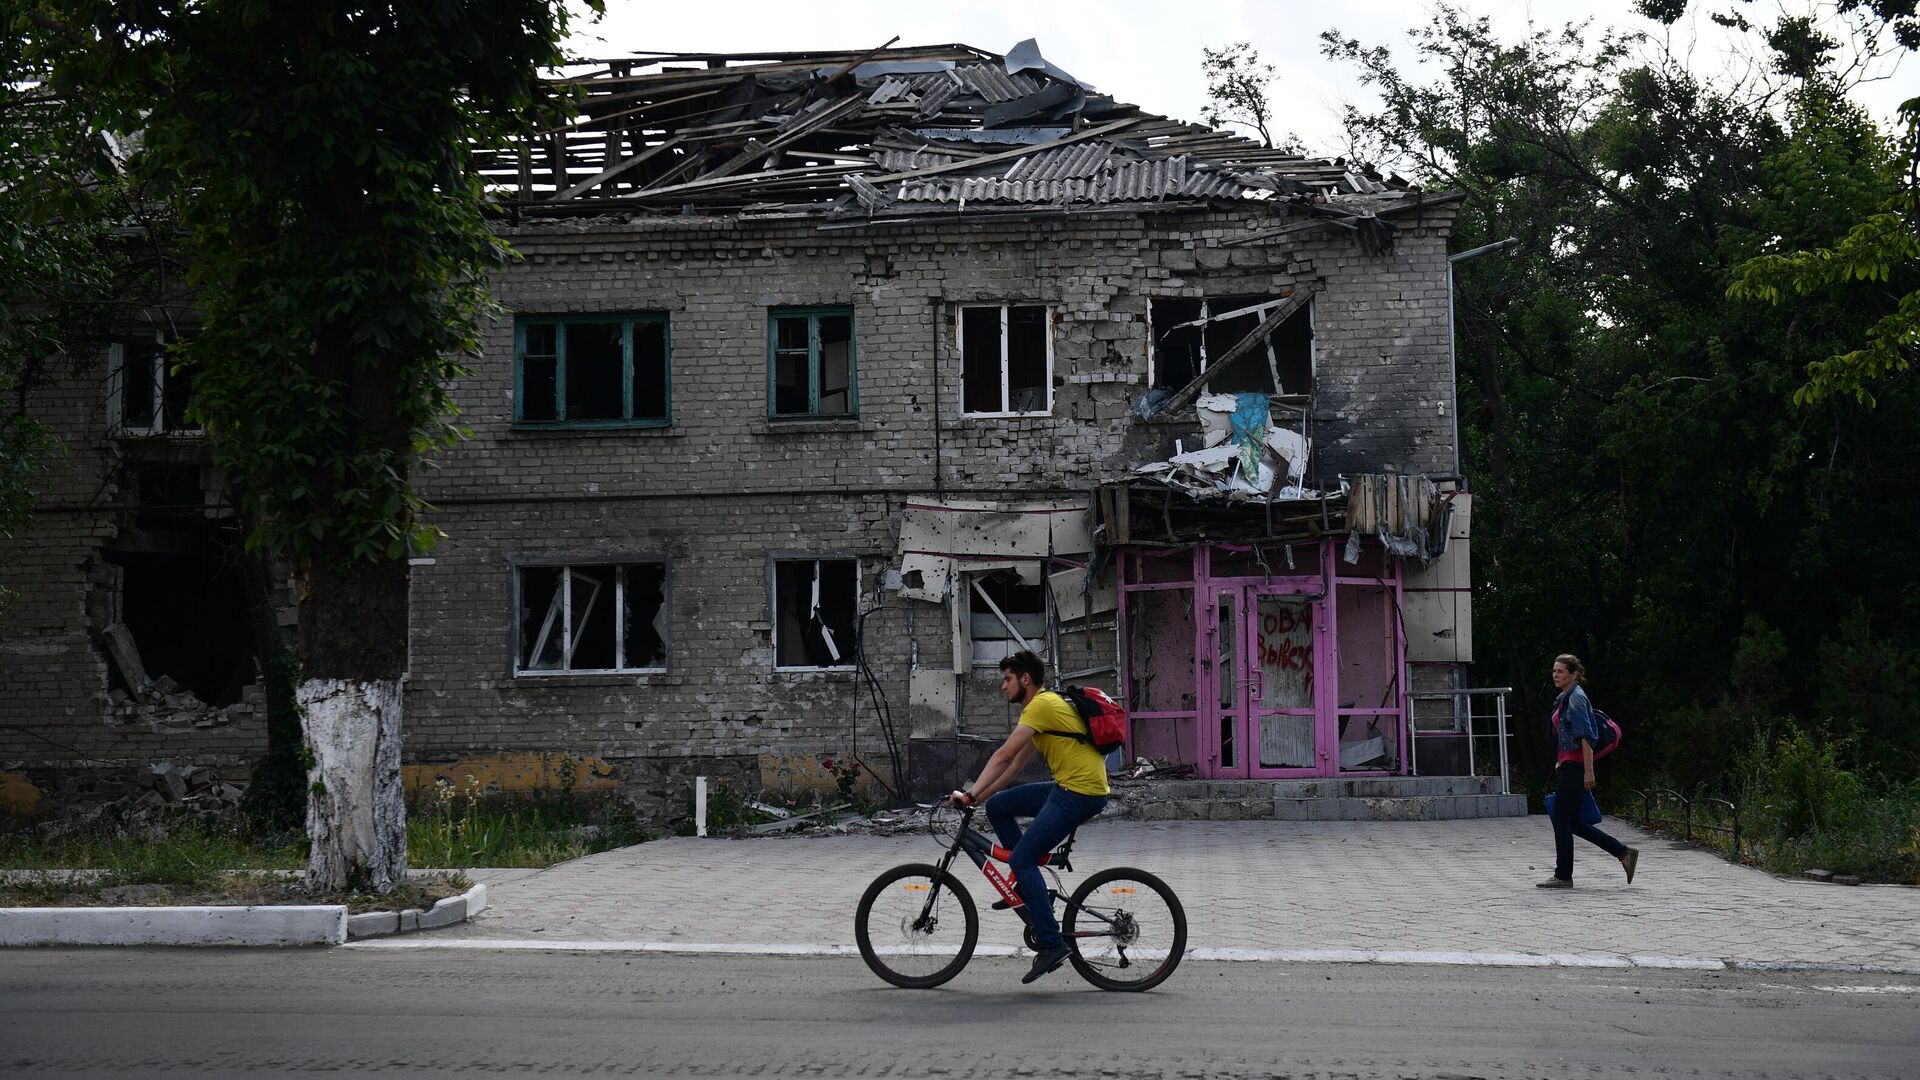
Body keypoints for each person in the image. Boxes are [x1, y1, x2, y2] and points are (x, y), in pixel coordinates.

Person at [948, 650, 1111, 983]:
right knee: (999, 806)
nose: (1002, 687)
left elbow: (1003, 755)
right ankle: (1027, 888)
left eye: (1007, 679)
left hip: (1079, 793)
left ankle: (1051, 944)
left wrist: (969, 794)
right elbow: (1014, 766)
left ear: (1025, 679)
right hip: (1070, 786)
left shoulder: (1041, 705)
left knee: (1022, 859)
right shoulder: (1044, 709)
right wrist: (980, 799)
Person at [1540, 653, 1639, 888]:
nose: (1555, 675)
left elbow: (1586, 737)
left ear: (1574, 674)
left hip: (1576, 766)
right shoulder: (1564, 698)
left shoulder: (1576, 698)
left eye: (1561, 671)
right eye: (1554, 671)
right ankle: (1624, 853)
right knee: (1572, 822)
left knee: (1561, 818)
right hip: (1569, 764)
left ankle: (1563, 875)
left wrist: (1588, 771)